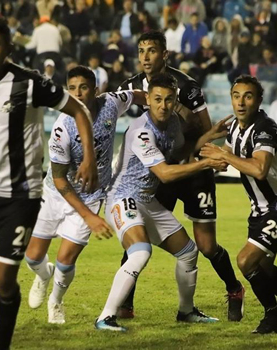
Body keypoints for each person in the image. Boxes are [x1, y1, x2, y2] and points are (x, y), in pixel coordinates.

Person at [0, 17, 98, 350]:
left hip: (20, 196)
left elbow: (79, 111)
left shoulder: (30, 83)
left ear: (8, 49)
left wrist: (89, 157)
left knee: (3, 280)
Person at [117, 30, 245, 322]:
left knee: (206, 246)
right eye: (141, 50)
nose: (145, 57)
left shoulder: (187, 86)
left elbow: (204, 129)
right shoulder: (131, 86)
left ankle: (234, 289)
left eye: (152, 50)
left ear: (165, 54)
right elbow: (112, 111)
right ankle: (125, 304)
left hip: (194, 172)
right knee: (140, 236)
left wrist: (202, 155)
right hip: (165, 173)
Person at [95, 72, 222, 332]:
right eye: (157, 100)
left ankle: (186, 312)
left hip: (146, 200)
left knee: (188, 252)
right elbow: (164, 173)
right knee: (141, 252)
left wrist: (207, 136)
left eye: (168, 100)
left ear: (175, 100)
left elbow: (178, 153)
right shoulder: (142, 131)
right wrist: (207, 163)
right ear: (148, 101)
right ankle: (106, 317)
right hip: (122, 197)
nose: (163, 106)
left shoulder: (174, 122)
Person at [24, 66, 146, 324]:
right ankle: (44, 275)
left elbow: (135, 95)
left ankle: (56, 302)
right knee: (32, 256)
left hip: (91, 196)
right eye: (72, 88)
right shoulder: (62, 127)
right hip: (56, 194)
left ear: (96, 89)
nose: (77, 93)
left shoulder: (111, 103)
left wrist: (161, 102)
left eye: (84, 87)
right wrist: (89, 218)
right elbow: (59, 179)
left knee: (65, 261)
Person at [200, 75, 277, 334]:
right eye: (236, 96)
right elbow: (224, 160)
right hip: (259, 208)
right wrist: (206, 159)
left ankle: (272, 316)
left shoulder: (266, 129)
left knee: (246, 261)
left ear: (258, 101)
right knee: (264, 266)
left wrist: (224, 154)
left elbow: (259, 169)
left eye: (248, 96)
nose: (241, 102)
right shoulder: (235, 128)